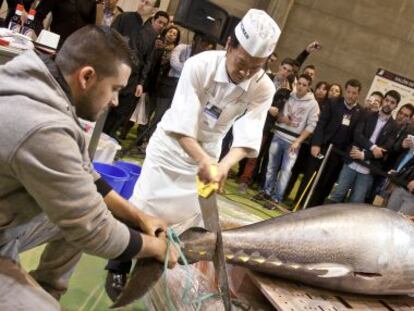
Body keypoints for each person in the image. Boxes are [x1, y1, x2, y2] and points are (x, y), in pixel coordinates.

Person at [106, 8, 281, 296]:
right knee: (144, 203)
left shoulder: (263, 87)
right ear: (228, 46)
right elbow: (183, 121)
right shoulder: (199, 66)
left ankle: (154, 261)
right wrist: (203, 161)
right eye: (242, 63)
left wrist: (223, 166)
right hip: (173, 146)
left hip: (210, 149)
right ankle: (119, 266)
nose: (246, 72)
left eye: (256, 67)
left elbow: (250, 130)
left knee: (187, 216)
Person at [0, 25, 177, 302]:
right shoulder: (44, 127)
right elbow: (94, 231)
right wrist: (156, 248)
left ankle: (47, 289)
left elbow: (87, 177)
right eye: (115, 89)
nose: (116, 101)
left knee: (75, 219)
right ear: (87, 77)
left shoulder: (41, 85)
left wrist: (139, 217)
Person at [255, 74, 319, 209]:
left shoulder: (313, 104)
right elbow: (278, 113)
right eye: (299, 83)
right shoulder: (289, 96)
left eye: (304, 85)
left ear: (309, 87)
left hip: (293, 142)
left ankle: (276, 198)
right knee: (271, 166)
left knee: (285, 171)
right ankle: (266, 191)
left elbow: (311, 126)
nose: (300, 87)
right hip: (279, 135)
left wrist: (299, 141)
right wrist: (281, 118)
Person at [327, 90, 400, 203]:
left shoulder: (395, 126)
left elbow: (386, 148)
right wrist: (373, 148)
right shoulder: (368, 114)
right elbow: (357, 134)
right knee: (337, 194)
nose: (388, 104)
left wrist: (364, 155)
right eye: (386, 100)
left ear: (396, 106)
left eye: (392, 102)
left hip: (369, 168)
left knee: (356, 202)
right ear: (383, 100)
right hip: (352, 160)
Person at [307, 79, 364, 207]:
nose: (350, 95)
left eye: (354, 93)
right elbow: (321, 124)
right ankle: (303, 207)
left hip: (340, 154)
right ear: (345, 91)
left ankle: (318, 210)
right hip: (323, 148)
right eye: (348, 92)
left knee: (329, 183)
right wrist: (316, 144)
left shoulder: (361, 112)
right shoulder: (333, 103)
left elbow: (356, 136)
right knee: (314, 179)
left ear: (358, 94)